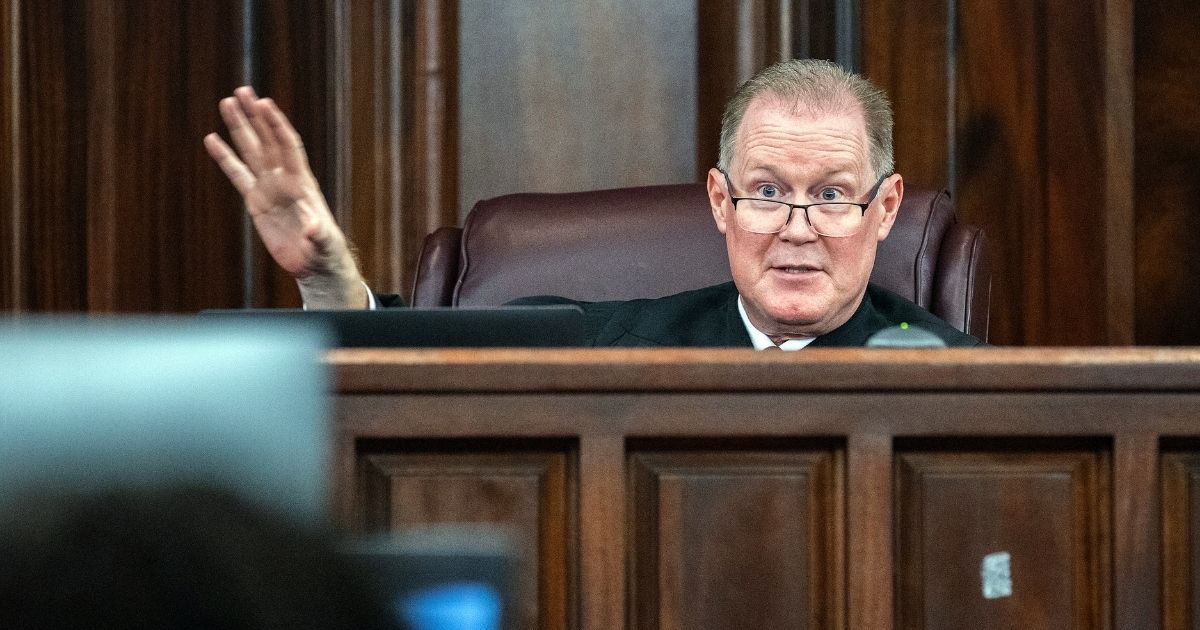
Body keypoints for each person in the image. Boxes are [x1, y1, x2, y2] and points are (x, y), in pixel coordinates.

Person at [205, 59, 982, 348]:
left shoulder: (958, 382)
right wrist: (325, 276)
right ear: (720, 202)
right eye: (768, 192)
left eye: (833, 196)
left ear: (884, 211)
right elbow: (420, 365)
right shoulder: (611, 345)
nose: (796, 230)